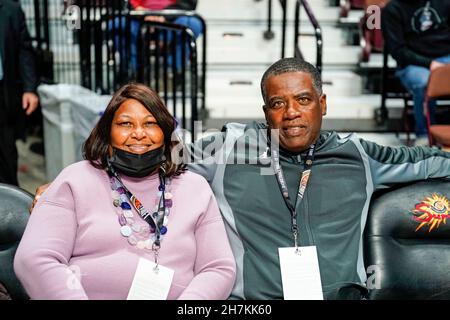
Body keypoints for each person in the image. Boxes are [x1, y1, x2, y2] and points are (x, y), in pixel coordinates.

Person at [31, 58, 450, 300]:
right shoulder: (230, 148)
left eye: (303, 100)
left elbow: (429, 161)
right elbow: (148, 154)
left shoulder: (359, 153)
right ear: (264, 110)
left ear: (322, 103)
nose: (291, 113)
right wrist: (77, 177)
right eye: (277, 104)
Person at [14, 83, 235, 300]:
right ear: (108, 134)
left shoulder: (195, 188)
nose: (138, 133)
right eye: (125, 124)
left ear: (166, 134)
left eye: (150, 123)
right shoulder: (74, 181)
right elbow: (34, 258)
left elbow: (218, 268)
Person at [381, 0, 450, 146]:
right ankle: (424, 135)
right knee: (423, 83)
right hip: (413, 63)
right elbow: (398, 51)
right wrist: (430, 64)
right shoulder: (393, 9)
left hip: (446, 56)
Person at [0, 0, 39, 185]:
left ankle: (9, 209)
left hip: (3, 94)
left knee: (6, 155)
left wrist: (29, 89)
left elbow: (24, 51)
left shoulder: (11, 10)